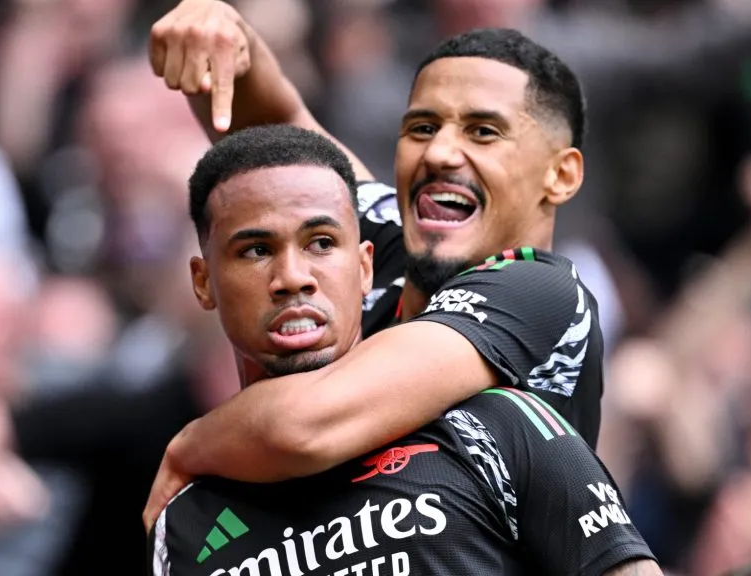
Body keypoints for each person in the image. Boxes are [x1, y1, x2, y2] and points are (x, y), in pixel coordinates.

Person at [144, 0, 603, 527]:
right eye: (423, 127)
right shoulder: (381, 236)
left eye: (482, 132)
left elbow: (302, 425)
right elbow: (282, 140)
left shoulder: (542, 293)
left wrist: (191, 445)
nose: (439, 153)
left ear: (560, 176)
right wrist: (223, 31)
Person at [150, 122, 658, 576]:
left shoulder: (500, 424)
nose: (293, 277)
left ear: (365, 267)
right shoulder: (185, 520)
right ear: (203, 282)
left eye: (321, 243)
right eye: (257, 250)